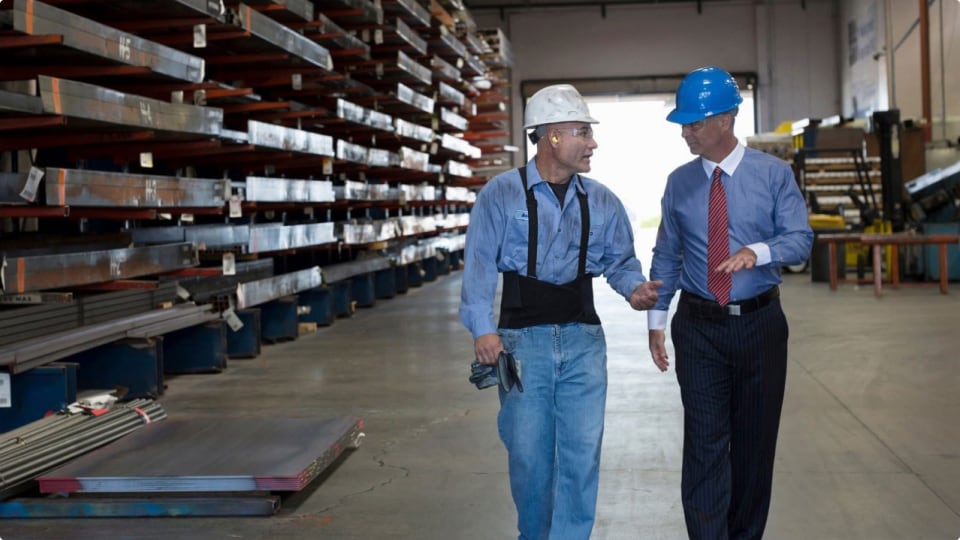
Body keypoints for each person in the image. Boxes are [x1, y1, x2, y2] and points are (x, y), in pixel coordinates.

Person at [459, 83, 662, 540]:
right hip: (520, 343)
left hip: (583, 340)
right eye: (581, 132)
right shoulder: (500, 195)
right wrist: (482, 330)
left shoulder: (603, 200)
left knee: (580, 454)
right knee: (528, 455)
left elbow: (620, 262)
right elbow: (477, 268)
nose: (592, 142)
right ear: (551, 136)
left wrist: (635, 291)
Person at [647, 66, 813, 540]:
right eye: (683, 123)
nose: (686, 132)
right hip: (699, 327)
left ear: (726, 119)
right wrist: (657, 320)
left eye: (695, 123)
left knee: (754, 447)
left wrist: (757, 252)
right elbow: (667, 252)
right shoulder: (679, 183)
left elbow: (800, 240)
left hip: (760, 326)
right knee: (704, 444)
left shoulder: (774, 175)